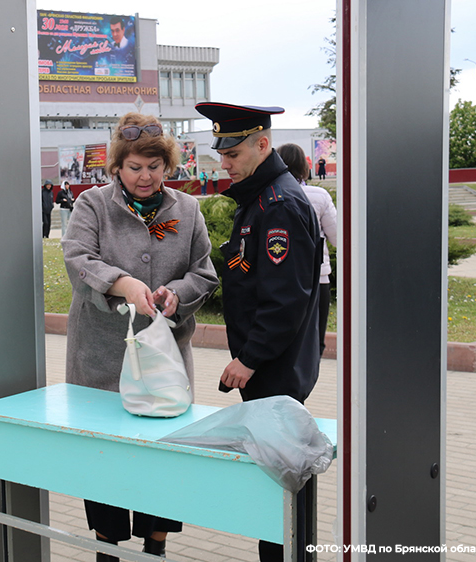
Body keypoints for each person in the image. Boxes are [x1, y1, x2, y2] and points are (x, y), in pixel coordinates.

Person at [63, 112, 219, 561]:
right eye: (135, 167)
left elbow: (204, 273)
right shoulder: (93, 204)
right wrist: (123, 283)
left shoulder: (187, 210)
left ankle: (155, 545)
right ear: (117, 167)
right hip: (100, 358)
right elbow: (77, 258)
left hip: (164, 358)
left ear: (168, 167)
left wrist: (179, 294)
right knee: (104, 453)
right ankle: (107, 545)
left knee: (162, 455)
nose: (145, 176)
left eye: (155, 166)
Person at [195, 102, 323, 562]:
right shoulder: (261, 200)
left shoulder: (279, 205)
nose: (224, 163)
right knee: (274, 487)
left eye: (231, 154)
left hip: (274, 372)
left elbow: (285, 300)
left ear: (262, 144)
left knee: (279, 491)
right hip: (270, 371)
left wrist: (249, 360)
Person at [278, 143, 338, 355]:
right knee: (315, 343)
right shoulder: (319, 195)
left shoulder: (271, 194)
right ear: (304, 166)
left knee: (286, 342)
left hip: (281, 281)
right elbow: (338, 238)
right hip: (317, 278)